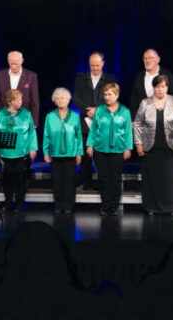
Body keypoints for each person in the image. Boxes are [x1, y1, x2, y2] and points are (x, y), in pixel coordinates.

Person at [133, 75, 173, 216]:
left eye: (163, 86)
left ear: (167, 87)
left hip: (171, 147)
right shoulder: (145, 103)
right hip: (150, 147)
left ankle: (172, 207)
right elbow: (138, 123)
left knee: (170, 179)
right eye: (158, 87)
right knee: (152, 178)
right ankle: (151, 207)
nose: (160, 89)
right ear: (154, 88)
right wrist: (138, 143)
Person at [86, 83, 133, 215]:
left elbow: (128, 131)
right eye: (105, 94)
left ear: (117, 95)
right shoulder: (99, 110)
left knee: (116, 178)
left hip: (118, 149)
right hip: (100, 149)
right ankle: (106, 205)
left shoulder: (125, 111)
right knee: (104, 178)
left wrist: (128, 148)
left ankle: (114, 205)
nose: (107, 97)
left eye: (110, 94)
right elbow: (93, 129)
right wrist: (90, 145)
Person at [73, 51, 115, 189]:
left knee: (101, 154)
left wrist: (98, 111)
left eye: (97, 65)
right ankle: (86, 182)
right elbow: (76, 98)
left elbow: (113, 97)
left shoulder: (110, 78)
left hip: (103, 121)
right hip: (85, 120)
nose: (95, 68)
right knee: (86, 153)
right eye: (92, 65)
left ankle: (103, 183)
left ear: (103, 63)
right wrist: (87, 110)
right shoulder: (80, 78)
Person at [0, 89, 38, 214]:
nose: (20, 102)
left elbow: (32, 132)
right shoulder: (0, 115)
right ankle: (8, 203)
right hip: (5, 153)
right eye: (17, 100)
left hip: (21, 152)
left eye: (21, 100)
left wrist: (33, 148)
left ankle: (20, 204)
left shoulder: (26, 114)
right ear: (9, 101)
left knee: (20, 180)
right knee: (6, 180)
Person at [43, 88, 83, 214]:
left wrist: (79, 153)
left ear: (68, 100)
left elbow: (78, 136)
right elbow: (46, 135)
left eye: (63, 98)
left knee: (70, 181)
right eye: (58, 98)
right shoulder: (50, 116)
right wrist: (45, 152)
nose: (60, 100)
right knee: (57, 181)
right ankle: (58, 205)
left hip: (71, 154)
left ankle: (68, 205)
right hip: (55, 154)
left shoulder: (75, 116)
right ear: (54, 101)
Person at [0, 51, 40, 126]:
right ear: (8, 61)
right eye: (11, 64)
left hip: (24, 119)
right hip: (5, 118)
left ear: (21, 61)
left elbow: (34, 101)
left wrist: (34, 123)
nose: (13, 67)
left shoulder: (31, 76)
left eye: (15, 64)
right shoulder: (0, 75)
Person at [129, 49, 173, 115]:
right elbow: (134, 101)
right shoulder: (139, 77)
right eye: (145, 58)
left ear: (158, 60)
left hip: (165, 117)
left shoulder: (167, 75)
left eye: (150, 58)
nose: (147, 61)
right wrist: (133, 118)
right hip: (144, 118)